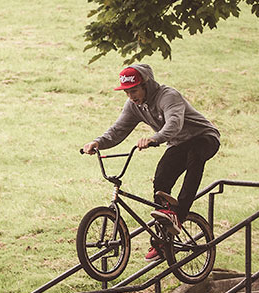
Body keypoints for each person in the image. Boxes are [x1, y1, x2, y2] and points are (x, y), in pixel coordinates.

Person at [82, 64, 220, 260]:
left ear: (146, 85)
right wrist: (97, 142)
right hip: (177, 143)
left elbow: (174, 123)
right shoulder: (133, 106)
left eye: (134, 90)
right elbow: (118, 130)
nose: (131, 96)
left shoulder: (168, 96)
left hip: (204, 137)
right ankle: (162, 241)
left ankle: (179, 214)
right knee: (161, 179)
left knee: (195, 158)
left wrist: (155, 138)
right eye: (127, 92)